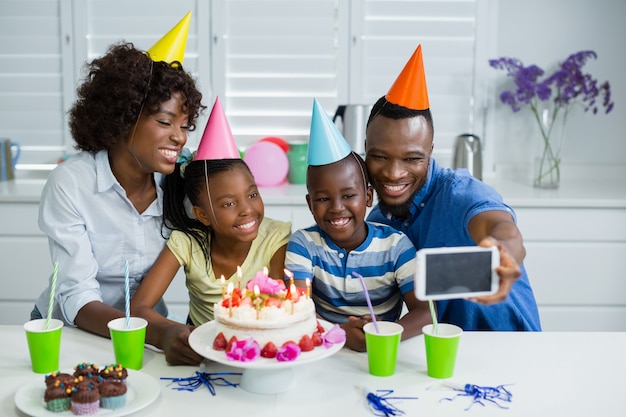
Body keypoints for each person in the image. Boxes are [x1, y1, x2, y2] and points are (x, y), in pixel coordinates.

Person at [32, 14, 207, 361]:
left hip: (151, 331)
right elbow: (78, 297)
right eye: (165, 121)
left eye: (185, 125)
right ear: (124, 117)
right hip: (75, 331)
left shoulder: (179, 183)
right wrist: (158, 332)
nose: (180, 136)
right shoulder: (71, 184)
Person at [364, 45, 541, 331]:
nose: (393, 173)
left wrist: (504, 251)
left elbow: (501, 228)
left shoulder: (460, 194)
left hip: (510, 346)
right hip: (441, 358)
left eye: (412, 158)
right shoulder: (377, 224)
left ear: (430, 151)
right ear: (365, 150)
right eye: (380, 157)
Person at [131, 97, 291, 364]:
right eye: (229, 203)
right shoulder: (187, 242)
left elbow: (278, 307)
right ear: (202, 215)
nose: (246, 210)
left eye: (252, 195)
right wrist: (171, 332)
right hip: (202, 353)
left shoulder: (275, 238)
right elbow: (139, 307)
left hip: (262, 354)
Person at [284, 99, 431, 352]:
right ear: (309, 204)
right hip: (322, 352)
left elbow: (426, 311)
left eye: (349, 195)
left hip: (383, 353)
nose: (336, 207)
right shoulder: (304, 245)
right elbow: (295, 310)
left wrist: (384, 336)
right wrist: (338, 334)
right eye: (322, 198)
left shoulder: (396, 246)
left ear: (369, 197)